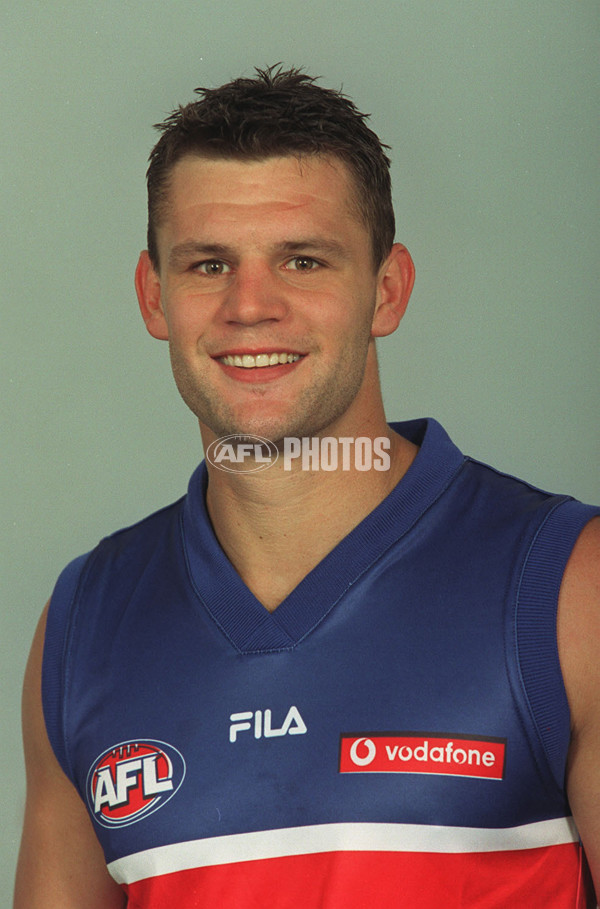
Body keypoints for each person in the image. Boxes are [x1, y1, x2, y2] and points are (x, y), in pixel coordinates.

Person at [14, 65, 599, 908]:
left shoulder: (568, 592)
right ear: (153, 297)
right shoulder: (81, 630)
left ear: (386, 291)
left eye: (302, 259)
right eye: (209, 264)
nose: (251, 306)